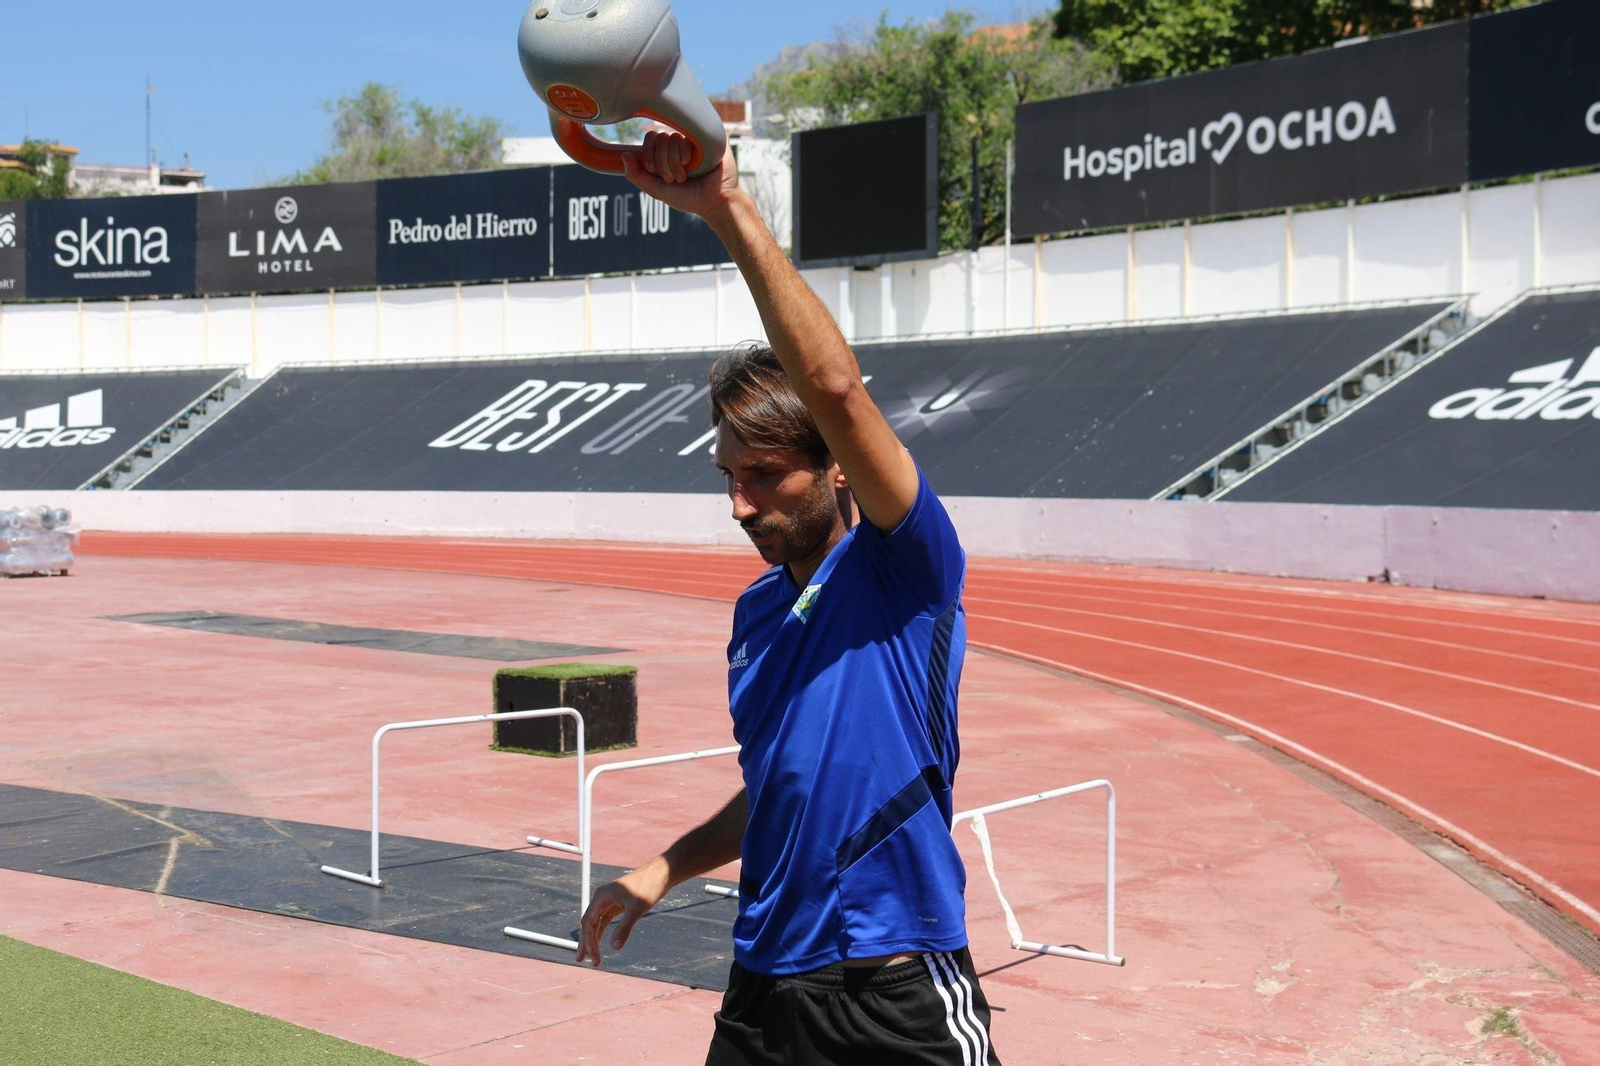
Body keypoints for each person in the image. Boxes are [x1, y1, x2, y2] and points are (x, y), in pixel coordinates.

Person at [576, 130, 1000, 1066]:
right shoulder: (756, 617)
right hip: (763, 980)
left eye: (764, 475)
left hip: (892, 980)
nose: (738, 505)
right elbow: (782, 791)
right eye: (727, 476)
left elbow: (839, 391)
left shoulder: (907, 572)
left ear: (836, 472)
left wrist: (726, 207)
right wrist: (665, 868)